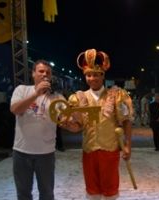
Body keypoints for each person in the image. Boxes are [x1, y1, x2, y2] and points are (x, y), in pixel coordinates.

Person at [62, 49, 133, 200]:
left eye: (95, 74)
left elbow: (126, 120)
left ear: (102, 75)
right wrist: (66, 124)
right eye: (88, 75)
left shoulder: (117, 95)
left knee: (110, 190)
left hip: (110, 149)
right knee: (92, 190)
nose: (92, 78)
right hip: (89, 151)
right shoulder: (78, 98)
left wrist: (127, 145)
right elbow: (77, 127)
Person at [10, 59, 65, 200]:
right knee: (23, 193)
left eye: (48, 72)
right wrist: (36, 94)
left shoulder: (57, 97)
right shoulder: (22, 90)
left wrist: (72, 120)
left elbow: (68, 118)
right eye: (41, 71)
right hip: (22, 152)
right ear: (33, 74)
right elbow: (15, 109)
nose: (45, 74)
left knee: (47, 193)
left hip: (46, 153)